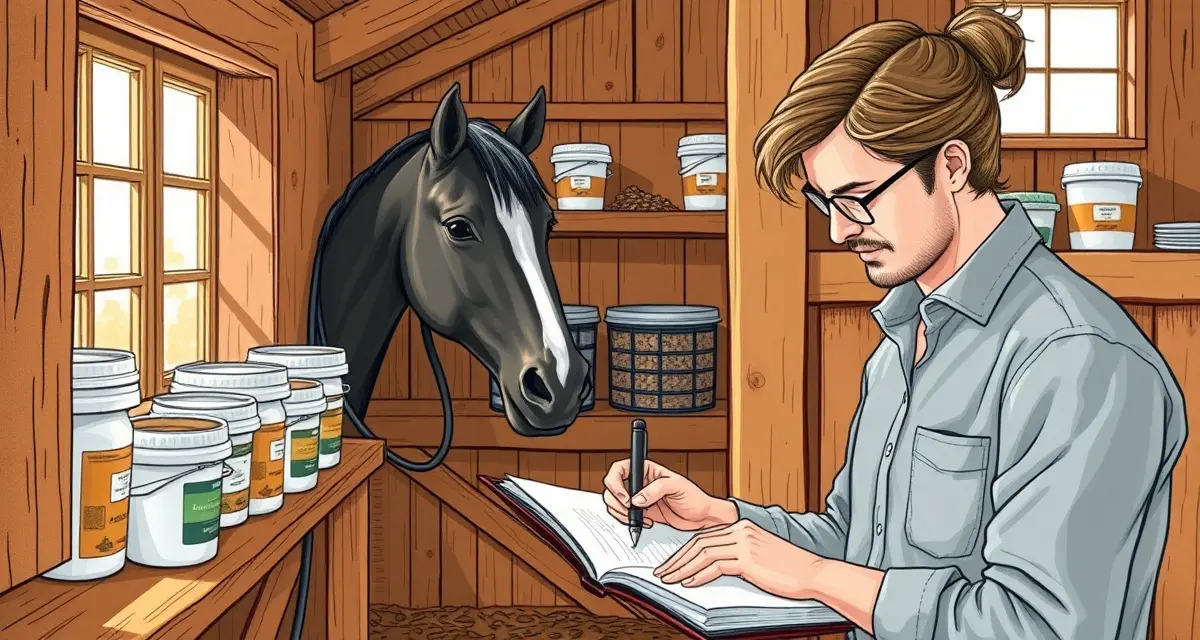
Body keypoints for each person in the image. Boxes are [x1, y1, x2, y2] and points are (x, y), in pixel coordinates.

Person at [602, 6, 1187, 639]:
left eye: (859, 198)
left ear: (954, 166)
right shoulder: (900, 344)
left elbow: (1037, 626)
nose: (839, 230)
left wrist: (813, 576)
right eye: (825, 202)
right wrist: (724, 520)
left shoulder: (1080, 359)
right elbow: (857, 544)